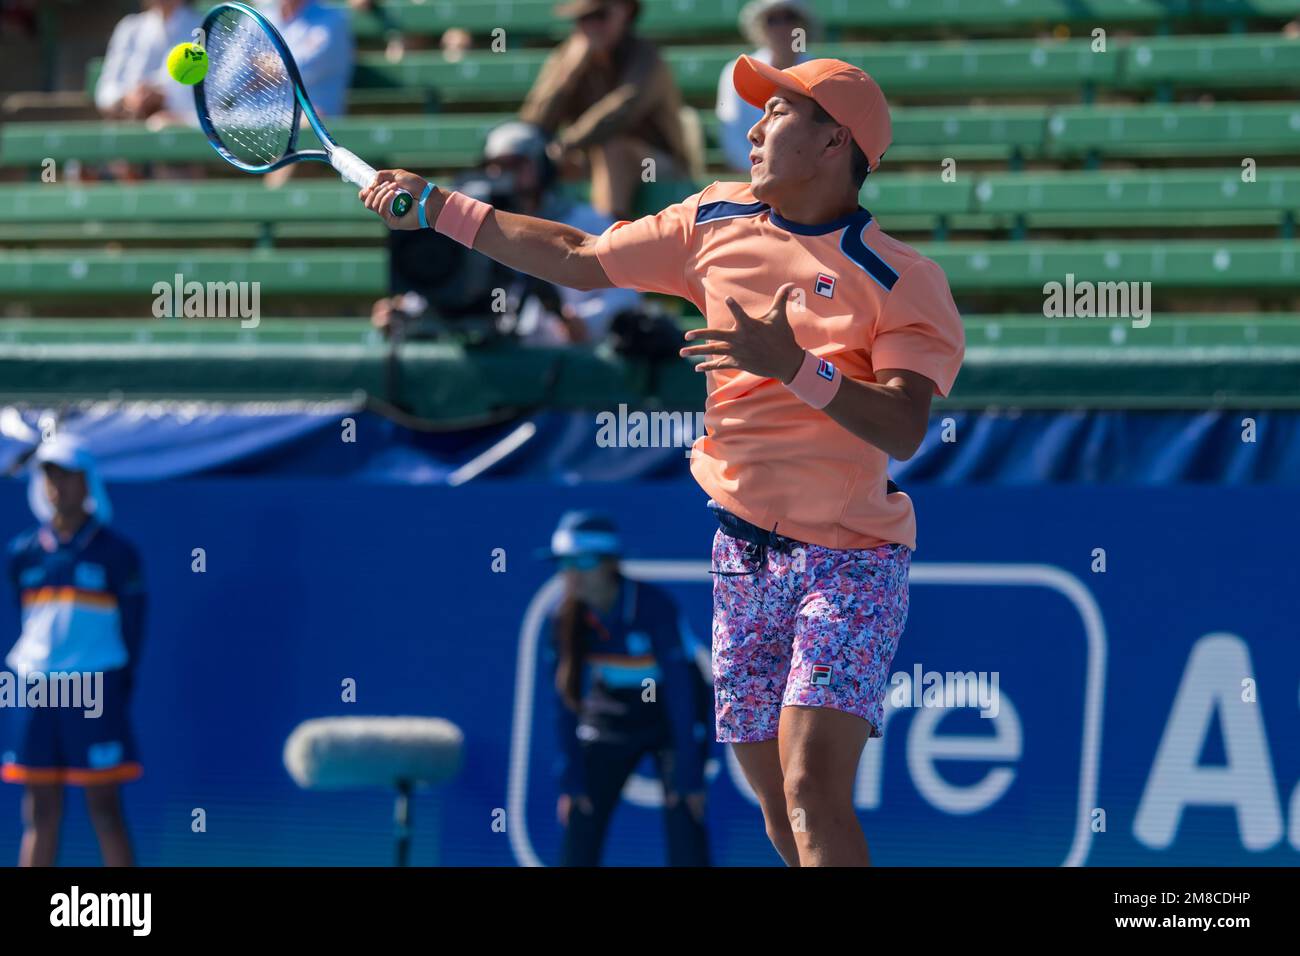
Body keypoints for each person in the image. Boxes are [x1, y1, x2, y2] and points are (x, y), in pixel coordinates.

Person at [360, 54, 966, 867]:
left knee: (812, 793)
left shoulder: (903, 280)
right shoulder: (711, 221)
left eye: (778, 114)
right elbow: (579, 254)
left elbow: (901, 428)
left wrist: (795, 365)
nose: (753, 128)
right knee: (781, 814)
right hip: (741, 549)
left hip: (852, 562)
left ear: (835, 141)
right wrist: (441, 208)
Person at [2, 437, 146, 867]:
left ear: (88, 482)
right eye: (49, 475)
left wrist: (112, 684)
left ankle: (128, 916)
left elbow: (135, 629)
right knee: (40, 809)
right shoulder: (22, 552)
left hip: (94, 689)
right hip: (34, 691)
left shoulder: (118, 554)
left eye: (66, 475)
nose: (56, 486)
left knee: (105, 807)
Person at [540, 511, 710, 866]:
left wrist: (690, 775)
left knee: (685, 821)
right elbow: (564, 704)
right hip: (611, 718)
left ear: (610, 564)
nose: (570, 573)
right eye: (563, 562)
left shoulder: (653, 606)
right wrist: (572, 779)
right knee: (581, 817)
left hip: (671, 719)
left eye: (581, 561)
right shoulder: (563, 617)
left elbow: (682, 695)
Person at [372, 121, 641, 345]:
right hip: (495, 355)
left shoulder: (586, 219)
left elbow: (627, 291)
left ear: (542, 166)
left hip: (567, 362)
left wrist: (585, 323)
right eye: (495, 165)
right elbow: (454, 281)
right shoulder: (471, 224)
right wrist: (406, 313)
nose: (503, 174)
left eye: (516, 164)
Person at [519, 0, 689, 220]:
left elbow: (622, 111)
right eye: (582, 19)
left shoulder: (646, 56)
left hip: (658, 167)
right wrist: (569, 72)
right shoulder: (567, 57)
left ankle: (607, 241)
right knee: (533, 162)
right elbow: (534, 123)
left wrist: (566, 143)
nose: (591, 26)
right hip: (589, 162)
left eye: (599, 15)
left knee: (613, 150)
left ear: (625, 11)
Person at [716, 0, 818, 173]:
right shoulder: (736, 71)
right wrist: (763, 174)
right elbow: (731, 139)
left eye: (789, 17)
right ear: (761, 28)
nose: (782, 27)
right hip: (753, 178)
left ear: (803, 25)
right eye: (772, 20)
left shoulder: (818, 72)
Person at [94, 0, 202, 127]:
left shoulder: (203, 28)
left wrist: (167, 102)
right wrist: (128, 98)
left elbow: (216, 102)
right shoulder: (129, 27)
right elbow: (106, 92)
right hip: (131, 128)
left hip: (183, 132)